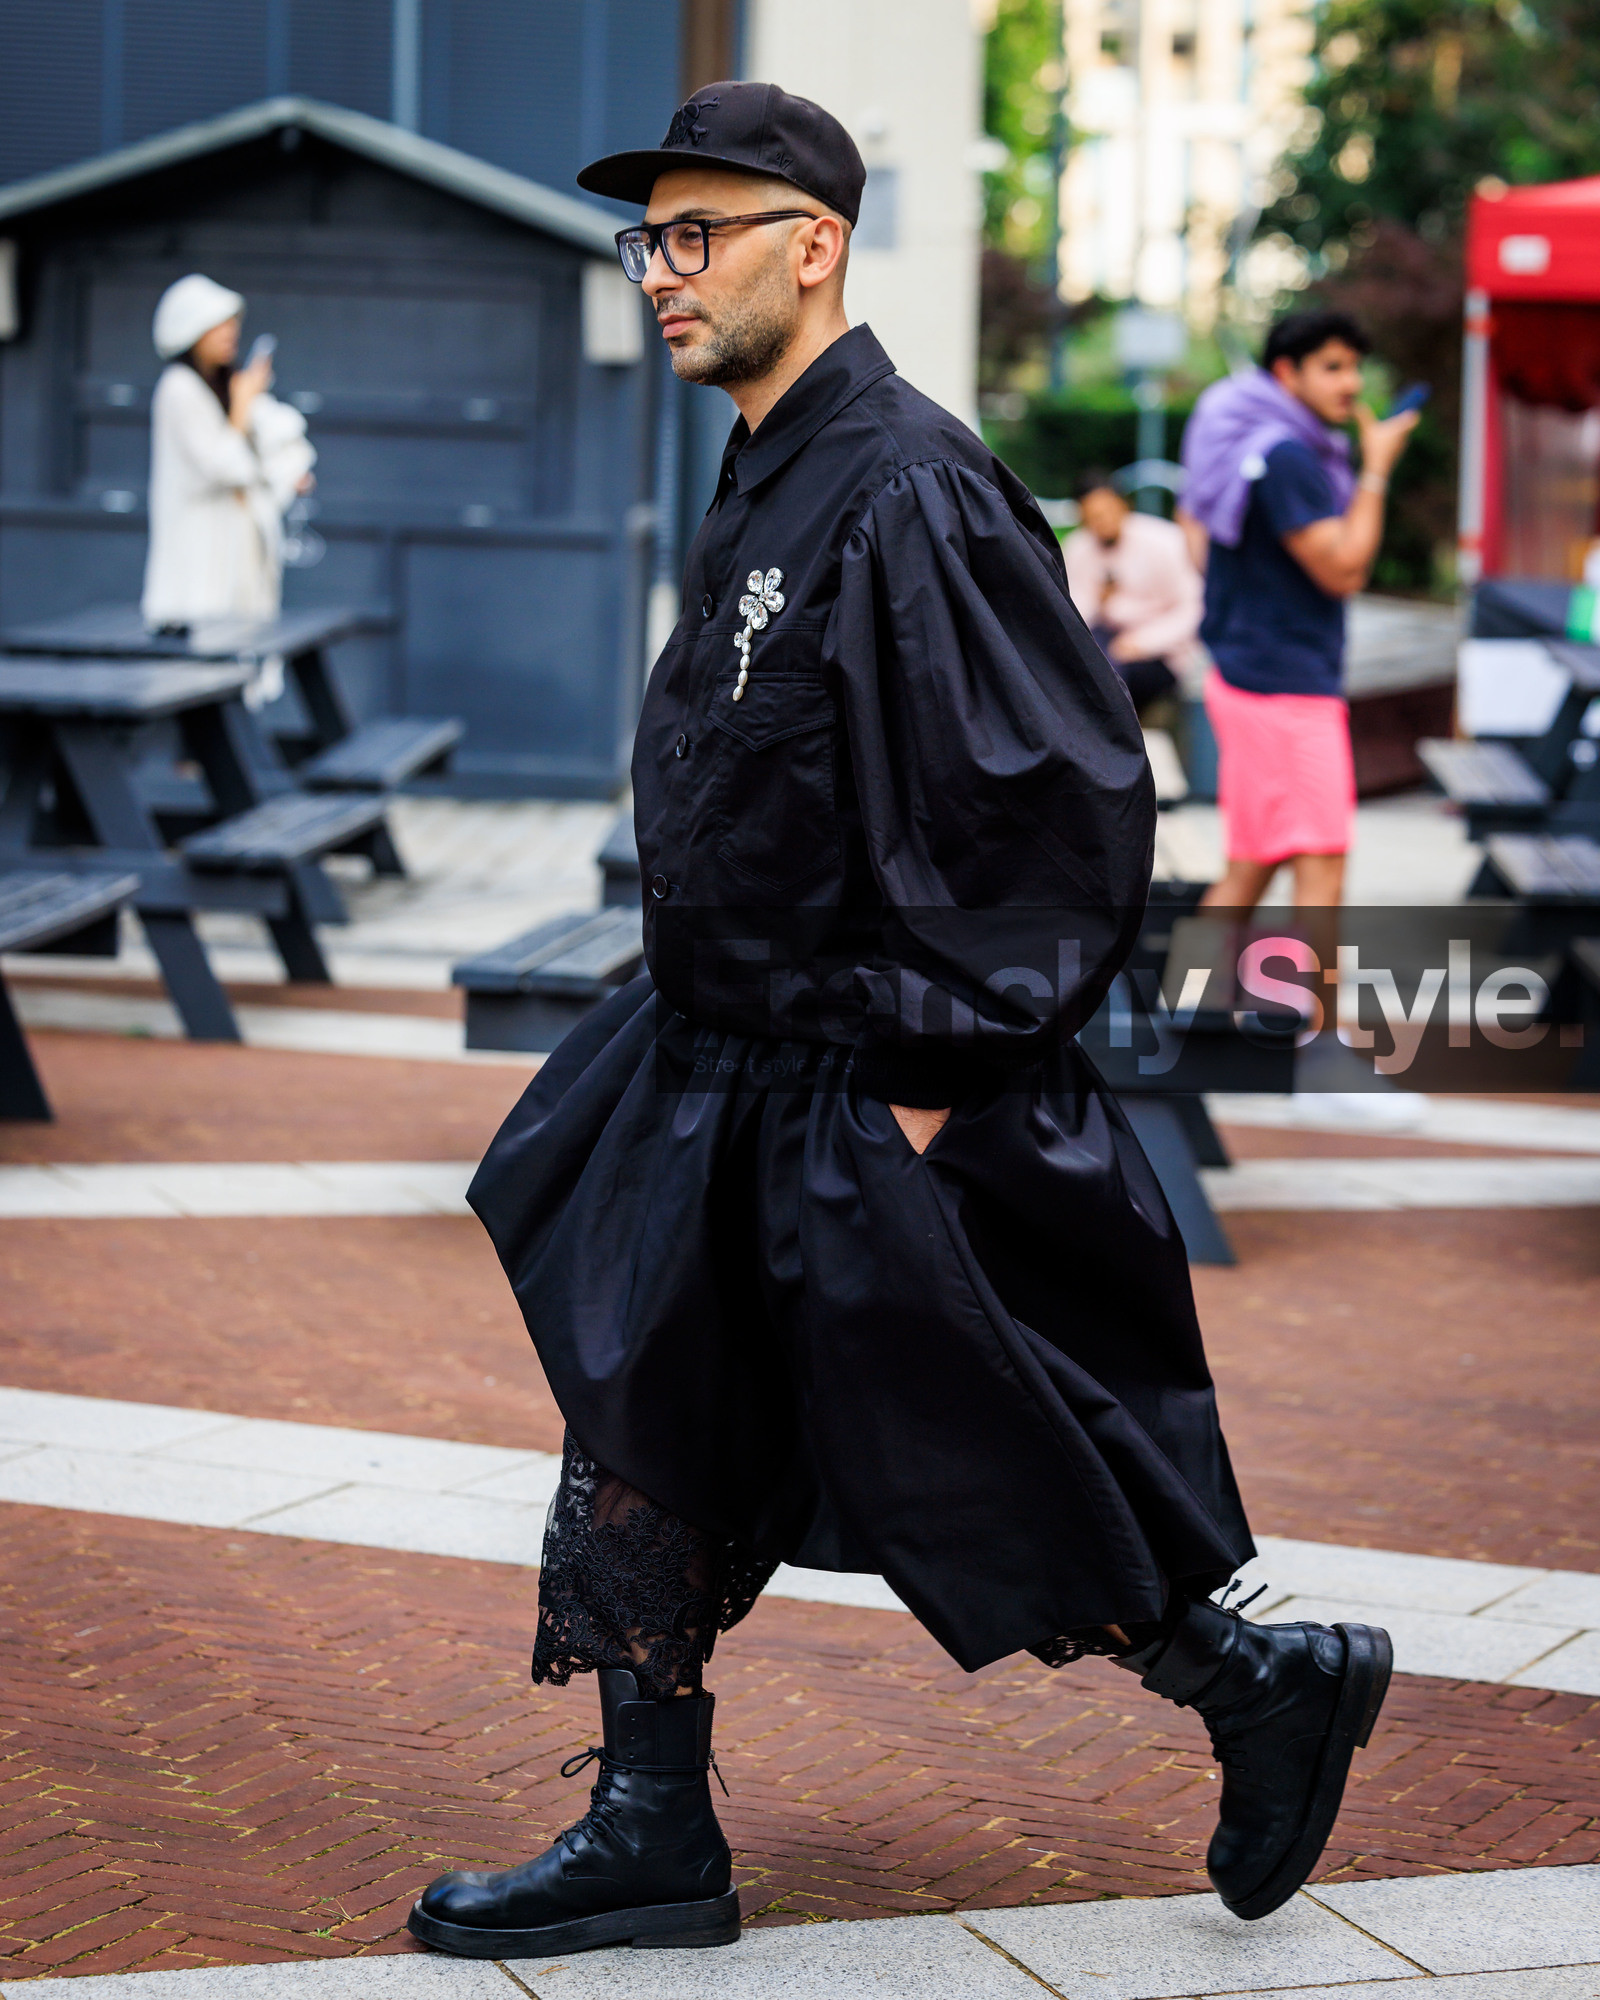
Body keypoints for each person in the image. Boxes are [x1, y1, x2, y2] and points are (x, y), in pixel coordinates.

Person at [406, 85, 1392, 1963]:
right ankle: (653, 1826)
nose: (661, 277)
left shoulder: (911, 480)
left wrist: (935, 1092)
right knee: (644, 1399)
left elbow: (1057, 802)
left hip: (854, 1066)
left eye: (696, 236)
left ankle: (1258, 1684)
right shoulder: (774, 453)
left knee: (965, 1441)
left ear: (815, 242)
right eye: (648, 243)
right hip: (711, 1038)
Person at [1178, 310, 1418, 917]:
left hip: (1255, 674)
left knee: (1258, 864)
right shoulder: (1286, 457)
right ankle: (1319, 1015)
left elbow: (1195, 531)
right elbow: (1344, 570)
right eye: (1333, 368)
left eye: (1356, 367)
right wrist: (1378, 468)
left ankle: (1190, 999)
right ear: (1286, 373)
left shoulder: (1255, 444)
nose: (1352, 384)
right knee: (1321, 863)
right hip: (1283, 687)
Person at [141, 273, 315, 642]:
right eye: (217, 325)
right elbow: (224, 465)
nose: (230, 333)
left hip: (237, 565)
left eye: (231, 324)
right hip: (199, 569)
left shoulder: (227, 385)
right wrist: (241, 406)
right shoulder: (180, 389)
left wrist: (288, 473)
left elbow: (270, 444)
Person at [1062, 469, 1203, 713]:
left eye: (1107, 512)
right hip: (1105, 640)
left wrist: (1143, 642)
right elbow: (1074, 612)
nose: (1102, 522)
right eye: (1093, 517)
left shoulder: (1164, 541)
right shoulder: (1078, 547)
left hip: (1163, 651)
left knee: (1110, 677)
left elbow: (1193, 607)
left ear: (1123, 505)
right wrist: (1099, 599)